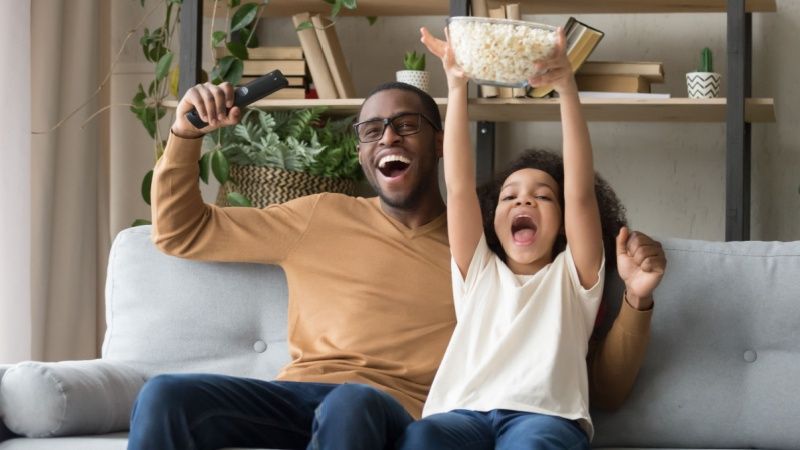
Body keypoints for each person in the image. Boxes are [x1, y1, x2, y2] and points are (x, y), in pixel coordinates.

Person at [126, 66, 663, 449]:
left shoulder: (482, 258)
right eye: (370, 129)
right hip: (295, 395)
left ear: (437, 144)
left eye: (406, 125)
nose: (387, 136)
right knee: (165, 396)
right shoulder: (318, 215)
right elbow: (179, 233)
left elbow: (591, 381)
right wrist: (184, 135)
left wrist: (636, 300)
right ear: (360, 149)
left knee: (351, 403)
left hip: (386, 410)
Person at [393, 27, 666, 449]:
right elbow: (460, 186)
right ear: (492, 217)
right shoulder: (478, 269)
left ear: (562, 224)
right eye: (510, 197)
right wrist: (457, 84)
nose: (526, 202)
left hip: (545, 418)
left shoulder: (575, 275)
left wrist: (566, 88)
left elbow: (578, 192)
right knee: (421, 437)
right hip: (461, 413)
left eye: (542, 196)